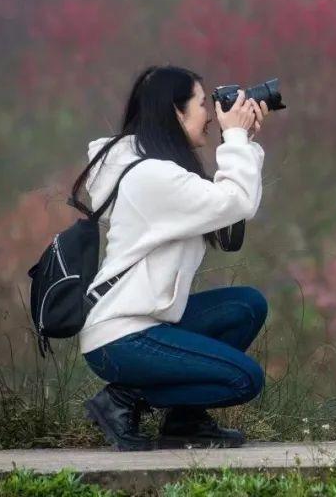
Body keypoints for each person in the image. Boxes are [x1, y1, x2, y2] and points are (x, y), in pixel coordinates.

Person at [71, 65, 269, 451]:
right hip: (122, 336)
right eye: (201, 103)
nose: (211, 114)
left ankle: (185, 420)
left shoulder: (150, 170)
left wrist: (242, 141)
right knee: (244, 380)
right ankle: (121, 400)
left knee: (245, 306)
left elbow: (230, 207)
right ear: (176, 113)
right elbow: (236, 201)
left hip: (145, 323)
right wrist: (234, 137)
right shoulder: (152, 178)